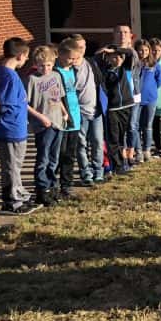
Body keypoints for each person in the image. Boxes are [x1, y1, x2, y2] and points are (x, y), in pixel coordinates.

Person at [0, 38, 35, 214]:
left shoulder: (8, 73)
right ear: (20, 55)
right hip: (10, 128)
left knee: (15, 166)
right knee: (11, 167)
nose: (26, 60)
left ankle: (18, 194)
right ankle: (12, 201)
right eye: (26, 56)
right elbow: (4, 104)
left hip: (17, 127)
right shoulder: (7, 76)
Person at [26, 45, 68, 205]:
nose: (45, 69)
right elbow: (25, 104)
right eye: (42, 66)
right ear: (36, 64)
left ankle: (52, 186)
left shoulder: (56, 76)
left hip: (58, 122)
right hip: (43, 124)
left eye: (49, 65)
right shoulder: (32, 79)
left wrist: (64, 112)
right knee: (43, 157)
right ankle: (41, 189)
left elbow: (58, 97)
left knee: (54, 158)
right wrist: (40, 117)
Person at [70, 35, 104, 186]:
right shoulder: (68, 68)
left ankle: (98, 172)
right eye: (78, 47)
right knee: (81, 144)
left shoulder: (90, 62)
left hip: (95, 110)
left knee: (97, 142)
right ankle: (86, 173)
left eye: (83, 46)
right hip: (79, 112)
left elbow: (99, 82)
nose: (81, 49)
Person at [96, 47, 133, 175]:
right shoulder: (105, 72)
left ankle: (122, 163)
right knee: (113, 138)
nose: (117, 59)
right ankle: (117, 166)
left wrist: (116, 49)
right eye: (113, 57)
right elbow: (96, 59)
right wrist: (105, 51)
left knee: (122, 137)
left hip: (126, 106)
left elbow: (130, 53)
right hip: (113, 109)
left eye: (119, 57)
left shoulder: (124, 68)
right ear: (108, 58)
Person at [54, 39, 83, 200]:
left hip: (75, 116)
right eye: (70, 58)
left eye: (75, 58)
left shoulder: (72, 70)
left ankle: (67, 184)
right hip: (63, 119)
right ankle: (52, 184)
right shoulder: (55, 72)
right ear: (61, 54)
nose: (72, 61)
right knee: (60, 154)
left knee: (70, 155)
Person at [135, 40, 161, 162]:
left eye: (146, 50)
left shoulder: (154, 64)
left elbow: (160, 80)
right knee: (135, 125)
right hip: (136, 100)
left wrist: (151, 89)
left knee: (147, 125)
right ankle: (138, 150)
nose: (143, 52)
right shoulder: (134, 64)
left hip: (150, 99)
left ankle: (147, 149)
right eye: (141, 50)